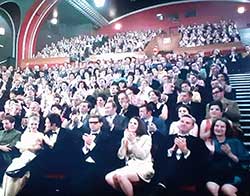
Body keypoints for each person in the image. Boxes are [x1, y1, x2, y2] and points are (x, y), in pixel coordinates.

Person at [156, 114, 209, 195]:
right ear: (178, 123)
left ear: (192, 127)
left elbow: (200, 162)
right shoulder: (167, 138)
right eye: (182, 121)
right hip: (167, 173)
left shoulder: (198, 142)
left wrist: (185, 151)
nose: (184, 124)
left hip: (187, 174)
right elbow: (159, 157)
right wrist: (170, 151)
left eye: (187, 123)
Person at [105, 116, 154, 196]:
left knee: (120, 176)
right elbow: (121, 156)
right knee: (108, 177)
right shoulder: (125, 138)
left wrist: (133, 141)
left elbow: (142, 156)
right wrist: (124, 144)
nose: (132, 125)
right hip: (130, 166)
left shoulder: (146, 138)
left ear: (139, 126)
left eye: (135, 123)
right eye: (130, 122)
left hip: (144, 167)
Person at [206, 118, 250, 196]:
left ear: (227, 129)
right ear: (213, 128)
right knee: (212, 188)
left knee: (227, 189)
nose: (219, 128)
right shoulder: (209, 142)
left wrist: (229, 154)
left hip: (233, 174)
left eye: (222, 127)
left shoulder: (235, 142)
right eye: (217, 126)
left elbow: (244, 162)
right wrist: (211, 153)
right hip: (214, 174)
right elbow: (203, 163)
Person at [0, 115, 21, 182]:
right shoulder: (0, 132)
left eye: (6, 123)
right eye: (3, 123)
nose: (4, 126)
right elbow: (3, 147)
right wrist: (1, 147)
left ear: (13, 123)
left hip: (7, 155)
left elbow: (10, 146)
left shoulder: (17, 133)